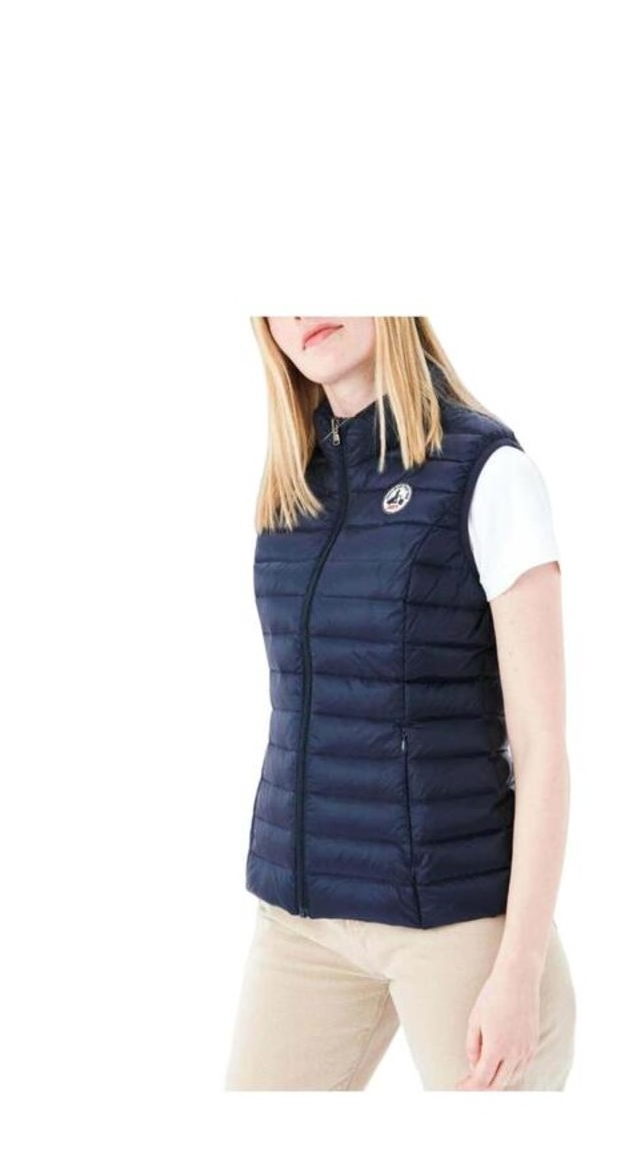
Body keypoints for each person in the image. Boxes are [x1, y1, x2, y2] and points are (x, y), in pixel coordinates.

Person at [224, 317, 576, 1091]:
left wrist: (518, 971)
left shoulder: (487, 472)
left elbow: (543, 748)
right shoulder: (292, 489)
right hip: (302, 920)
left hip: (456, 924)